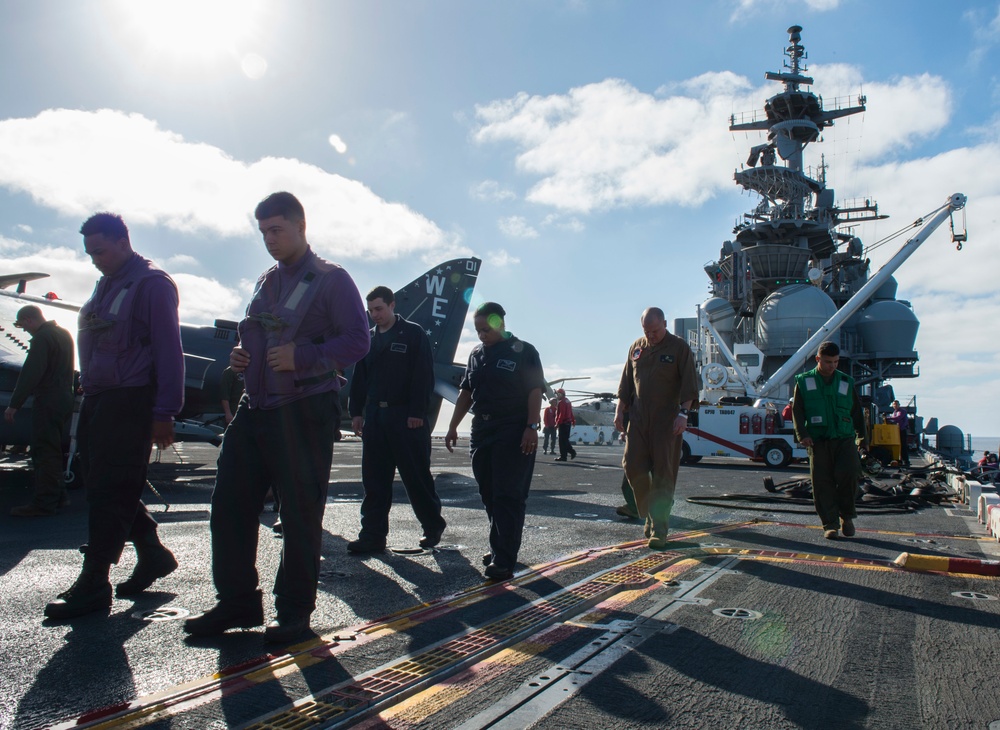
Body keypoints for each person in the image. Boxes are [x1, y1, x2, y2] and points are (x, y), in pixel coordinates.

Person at [184, 192, 369, 643]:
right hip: (256, 407)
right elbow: (257, 334)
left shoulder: (332, 279)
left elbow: (358, 341)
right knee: (229, 507)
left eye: (276, 230)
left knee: (301, 515)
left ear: (300, 227)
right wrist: (241, 358)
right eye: (263, 231)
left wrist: (304, 357)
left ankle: (294, 616)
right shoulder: (267, 281)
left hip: (305, 409)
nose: (269, 239)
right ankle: (238, 602)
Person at [43, 213, 185, 620]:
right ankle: (153, 553)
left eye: (100, 251)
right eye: (89, 253)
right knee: (107, 482)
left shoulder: (152, 284)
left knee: (109, 489)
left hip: (131, 401)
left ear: (124, 242)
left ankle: (94, 582)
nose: (94, 260)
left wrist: (165, 412)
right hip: (100, 399)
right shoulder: (107, 283)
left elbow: (168, 350)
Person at [445, 302, 544, 581]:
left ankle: (503, 558)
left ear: (499, 323)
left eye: (485, 329)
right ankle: (500, 545)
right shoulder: (476, 354)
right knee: (488, 492)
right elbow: (466, 392)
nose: (481, 335)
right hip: (482, 429)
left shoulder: (524, 351)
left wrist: (531, 426)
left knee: (508, 494)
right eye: (477, 331)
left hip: (513, 427)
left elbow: (534, 391)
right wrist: (453, 426)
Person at [346, 285, 446, 553]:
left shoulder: (413, 334)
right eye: (371, 311)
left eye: (379, 309)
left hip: (405, 418)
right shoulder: (368, 339)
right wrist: (356, 412)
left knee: (416, 477)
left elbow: (423, 375)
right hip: (376, 417)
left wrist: (417, 413)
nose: (375, 315)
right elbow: (360, 379)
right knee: (375, 481)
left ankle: (432, 525)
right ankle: (373, 535)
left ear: (392, 306)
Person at [613, 307, 698, 549]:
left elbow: (690, 384)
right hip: (639, 419)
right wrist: (620, 411)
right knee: (631, 465)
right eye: (646, 331)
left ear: (665, 324)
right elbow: (626, 383)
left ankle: (659, 529)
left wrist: (683, 414)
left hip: (667, 421)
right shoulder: (636, 348)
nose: (651, 335)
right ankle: (650, 512)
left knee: (663, 474)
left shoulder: (679, 347)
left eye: (655, 330)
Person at [791, 341, 869, 540]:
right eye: (828, 362)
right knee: (822, 483)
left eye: (835, 362)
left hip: (844, 439)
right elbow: (797, 411)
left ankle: (847, 516)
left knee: (850, 473)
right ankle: (830, 524)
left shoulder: (845, 382)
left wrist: (862, 439)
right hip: (818, 441)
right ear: (818, 359)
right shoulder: (803, 381)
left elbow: (856, 413)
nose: (832, 366)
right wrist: (802, 435)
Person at [5, 306, 76, 517]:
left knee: (43, 450)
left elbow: (31, 373)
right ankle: (59, 496)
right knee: (53, 449)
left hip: (48, 400)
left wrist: (14, 404)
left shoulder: (42, 338)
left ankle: (44, 503)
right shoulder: (63, 333)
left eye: (22, 325)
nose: (24, 331)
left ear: (28, 319)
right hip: (64, 398)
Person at [884, 399, 910, 466]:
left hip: (902, 430)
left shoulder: (902, 411)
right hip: (897, 431)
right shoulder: (894, 412)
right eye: (894, 404)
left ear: (899, 405)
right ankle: (901, 460)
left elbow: (897, 418)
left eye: (896, 404)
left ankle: (906, 461)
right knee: (899, 446)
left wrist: (887, 418)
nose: (895, 405)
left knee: (903, 446)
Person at [554, 388, 577, 461]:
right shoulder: (568, 401)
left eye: (557, 394)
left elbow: (561, 414)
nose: (557, 396)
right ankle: (567, 454)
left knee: (562, 441)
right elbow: (570, 412)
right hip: (568, 423)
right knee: (565, 440)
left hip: (563, 423)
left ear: (560, 394)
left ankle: (566, 455)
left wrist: (557, 423)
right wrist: (573, 420)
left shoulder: (562, 402)